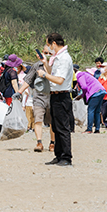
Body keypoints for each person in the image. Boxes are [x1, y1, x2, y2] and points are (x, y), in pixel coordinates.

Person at [38, 33, 75, 167]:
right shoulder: (56, 58)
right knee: (56, 126)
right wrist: (45, 63)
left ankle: (66, 157)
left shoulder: (64, 58)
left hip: (62, 95)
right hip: (54, 95)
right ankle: (58, 155)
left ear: (54, 43)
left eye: (48, 44)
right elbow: (53, 73)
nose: (48, 48)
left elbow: (59, 80)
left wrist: (44, 75)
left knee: (63, 128)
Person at [19, 50, 53, 153]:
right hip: (39, 96)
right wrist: (19, 92)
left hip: (53, 96)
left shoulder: (56, 64)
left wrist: (46, 64)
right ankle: (39, 142)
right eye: (45, 52)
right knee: (38, 119)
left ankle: (52, 143)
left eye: (49, 52)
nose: (47, 54)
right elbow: (28, 80)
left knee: (53, 122)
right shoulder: (36, 66)